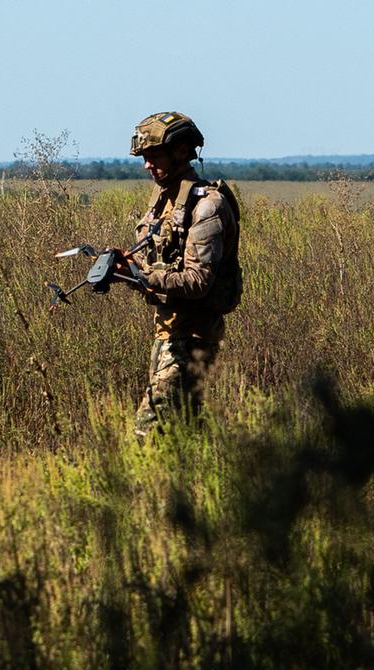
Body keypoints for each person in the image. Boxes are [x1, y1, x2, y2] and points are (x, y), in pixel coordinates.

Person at [120, 111, 242, 437]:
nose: (148, 165)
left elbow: (197, 281)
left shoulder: (207, 206)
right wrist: (126, 268)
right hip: (169, 334)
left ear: (182, 151)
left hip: (192, 339)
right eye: (144, 157)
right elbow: (158, 264)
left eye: (155, 155)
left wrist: (138, 277)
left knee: (148, 435)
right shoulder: (165, 201)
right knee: (186, 433)